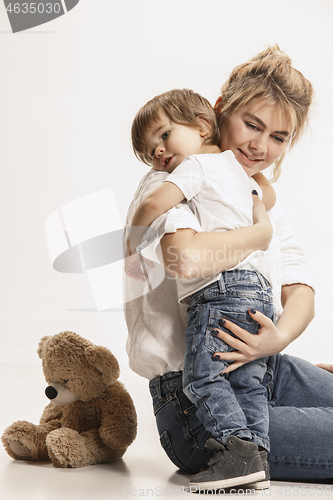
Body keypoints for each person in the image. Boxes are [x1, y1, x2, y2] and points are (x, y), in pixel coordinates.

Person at [124, 46, 333, 485]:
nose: (260, 145)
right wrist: (258, 236)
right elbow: (184, 256)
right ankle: (236, 449)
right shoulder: (175, 178)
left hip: (265, 367)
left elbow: (300, 288)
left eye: (278, 137)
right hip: (195, 402)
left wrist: (276, 339)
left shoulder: (245, 194)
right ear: (219, 112)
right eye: (252, 125)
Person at [127, 88, 278, 489]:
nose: (157, 154)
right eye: (148, 151)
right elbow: (270, 197)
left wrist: (131, 235)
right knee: (246, 382)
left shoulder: (193, 168)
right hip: (258, 289)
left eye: (162, 135)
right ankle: (254, 455)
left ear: (202, 126)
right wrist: (259, 225)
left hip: (220, 288)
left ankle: (235, 453)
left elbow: (157, 202)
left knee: (203, 377)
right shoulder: (236, 169)